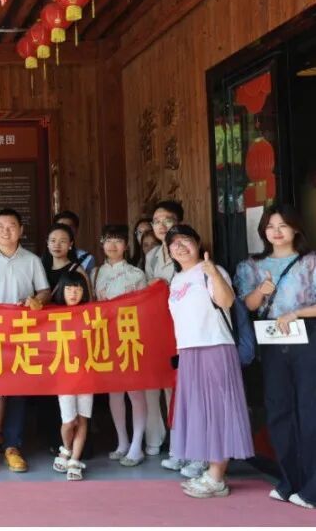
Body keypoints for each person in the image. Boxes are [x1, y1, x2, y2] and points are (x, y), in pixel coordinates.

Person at [164, 225, 254, 498]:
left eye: (185, 240)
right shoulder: (177, 279)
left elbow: (226, 301)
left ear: (198, 243)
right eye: (174, 243)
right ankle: (211, 470)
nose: (180, 246)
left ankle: (217, 477)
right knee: (201, 411)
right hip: (189, 351)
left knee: (218, 410)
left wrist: (213, 272)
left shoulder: (212, 271)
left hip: (215, 346)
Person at [235, 205, 316, 509]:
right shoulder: (251, 266)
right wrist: (262, 290)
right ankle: (289, 481)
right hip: (271, 342)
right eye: (270, 226)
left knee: (309, 410)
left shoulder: (310, 262)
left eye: (283, 225)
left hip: (307, 338)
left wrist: (297, 313)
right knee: (278, 409)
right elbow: (248, 305)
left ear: (296, 228)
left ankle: (312, 488)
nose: (276, 231)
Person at [0, 208, 50, 474]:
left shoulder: (32, 260)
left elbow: (44, 290)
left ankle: (12, 447)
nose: (6, 230)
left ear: (21, 230)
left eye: (12, 225)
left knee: (17, 391)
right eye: (1, 226)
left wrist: (37, 301)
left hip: (22, 333)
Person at [92, 224, 149, 467]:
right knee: (114, 391)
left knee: (135, 391)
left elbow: (145, 308)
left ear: (126, 245)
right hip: (106, 336)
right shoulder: (95, 273)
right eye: (108, 240)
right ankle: (122, 441)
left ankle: (137, 445)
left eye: (118, 241)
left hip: (130, 336)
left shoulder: (136, 274)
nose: (112, 245)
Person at [145, 201, 194, 474]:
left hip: (184, 330)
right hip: (160, 329)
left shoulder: (186, 248)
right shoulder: (152, 255)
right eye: (156, 221)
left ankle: (188, 449)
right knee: (164, 387)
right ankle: (172, 446)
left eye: (167, 220)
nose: (161, 225)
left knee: (181, 391)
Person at [50, 271, 93, 481]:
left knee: (83, 418)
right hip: (64, 376)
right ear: (62, 291)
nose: (73, 293)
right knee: (69, 420)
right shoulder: (52, 314)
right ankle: (66, 449)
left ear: (84, 291)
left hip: (87, 374)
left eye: (77, 289)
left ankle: (74, 460)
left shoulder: (91, 313)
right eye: (68, 288)